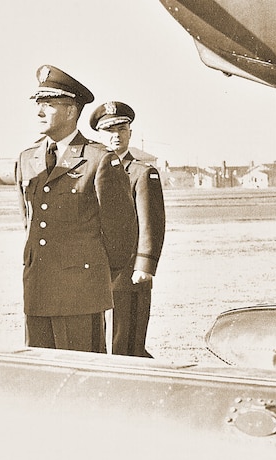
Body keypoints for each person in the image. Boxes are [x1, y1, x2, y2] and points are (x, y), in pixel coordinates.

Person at [15, 65, 136, 353]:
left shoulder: (98, 159)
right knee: (40, 380)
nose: (39, 113)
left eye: (48, 105)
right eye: (38, 105)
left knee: (84, 380)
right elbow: (28, 222)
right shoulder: (27, 158)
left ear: (71, 111)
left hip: (81, 294)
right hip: (37, 292)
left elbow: (121, 235)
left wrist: (92, 277)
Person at [89, 101, 166, 357]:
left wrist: (144, 266)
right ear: (98, 135)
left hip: (129, 274)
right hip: (97, 272)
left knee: (127, 344)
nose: (116, 136)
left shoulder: (142, 173)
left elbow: (151, 222)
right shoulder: (88, 170)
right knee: (99, 345)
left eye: (122, 129)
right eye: (109, 130)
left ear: (130, 133)